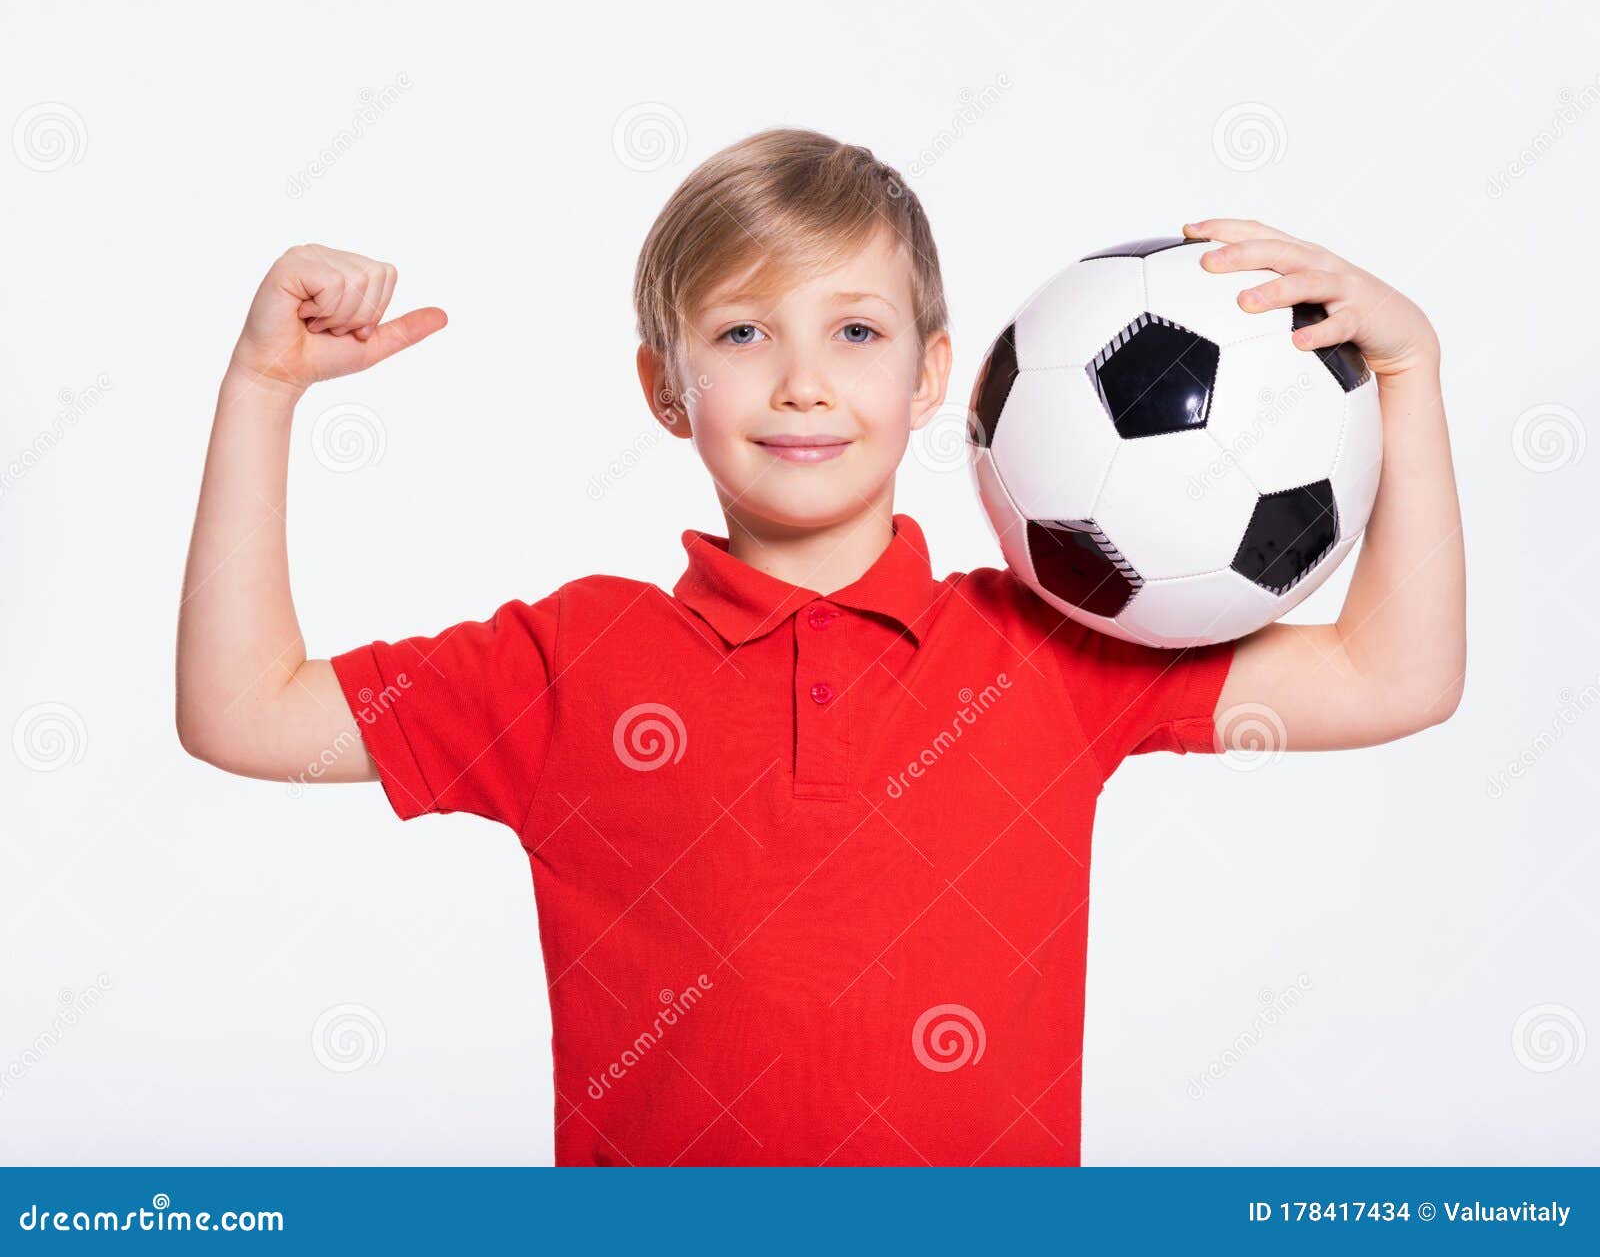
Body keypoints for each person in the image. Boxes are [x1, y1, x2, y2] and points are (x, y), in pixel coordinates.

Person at [175, 127, 1465, 1165]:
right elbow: (246, 714)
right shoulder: (571, 661)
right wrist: (262, 390)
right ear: (664, 391)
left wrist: (1409, 373)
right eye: (744, 333)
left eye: (855, 331)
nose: (803, 380)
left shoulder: (1054, 648)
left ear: (933, 375)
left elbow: (1392, 674)